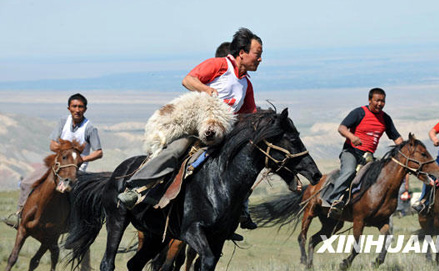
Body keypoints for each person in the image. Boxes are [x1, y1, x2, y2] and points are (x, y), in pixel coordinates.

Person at [118, 28, 262, 231]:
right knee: (177, 149)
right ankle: (136, 187)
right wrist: (206, 89)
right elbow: (188, 80)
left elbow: (249, 115)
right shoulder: (219, 65)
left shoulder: (246, 84)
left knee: (240, 165)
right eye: (258, 53)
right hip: (197, 126)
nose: (260, 59)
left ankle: (239, 212)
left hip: (222, 133)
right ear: (242, 53)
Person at [3, 93, 103, 228]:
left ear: (85, 109)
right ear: (69, 108)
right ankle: (19, 215)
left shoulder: (90, 128)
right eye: (74, 106)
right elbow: (52, 145)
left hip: (75, 170)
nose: (77, 110)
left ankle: (74, 226)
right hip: (56, 165)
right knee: (27, 183)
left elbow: (99, 152)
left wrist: (80, 159)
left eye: (80, 107)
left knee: (67, 192)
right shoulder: (63, 122)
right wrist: (61, 148)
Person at [321, 88, 403, 214]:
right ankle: (333, 200)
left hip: (368, 156)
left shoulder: (385, 118)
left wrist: (407, 148)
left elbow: (396, 137)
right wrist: (352, 137)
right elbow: (341, 128)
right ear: (370, 100)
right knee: (349, 172)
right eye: (377, 100)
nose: (380, 104)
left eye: (383, 101)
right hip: (351, 152)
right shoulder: (359, 113)